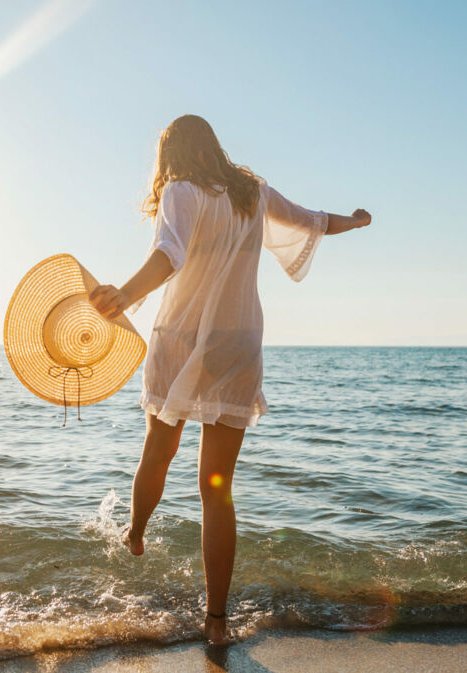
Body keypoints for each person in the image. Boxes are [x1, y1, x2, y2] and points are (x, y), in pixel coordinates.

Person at [89, 115, 371, 644]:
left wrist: (124, 295)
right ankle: (217, 623)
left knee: (159, 449)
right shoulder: (253, 194)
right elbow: (313, 220)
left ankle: (134, 534)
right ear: (215, 148)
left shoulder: (179, 189)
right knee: (217, 490)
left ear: (171, 154)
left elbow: (168, 254)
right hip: (239, 345)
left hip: (182, 338)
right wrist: (354, 222)